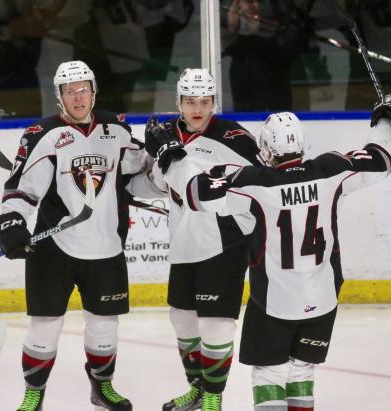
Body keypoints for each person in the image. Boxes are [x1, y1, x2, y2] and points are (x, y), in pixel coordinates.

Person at [150, 97, 391, 410]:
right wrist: (385, 121)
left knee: (269, 375)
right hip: (322, 300)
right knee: (302, 371)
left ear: (266, 150)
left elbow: (194, 192)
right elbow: (381, 160)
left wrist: (171, 156)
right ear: (301, 144)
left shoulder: (254, 184)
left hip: (275, 303)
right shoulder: (331, 170)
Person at [0, 60, 163, 411]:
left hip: (106, 247)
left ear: (94, 90)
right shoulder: (42, 134)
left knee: (104, 327)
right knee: (45, 327)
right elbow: (22, 191)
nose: (78, 97)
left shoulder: (115, 128)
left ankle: (102, 388)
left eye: (84, 89)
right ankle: (33, 395)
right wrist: (11, 222)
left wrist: (158, 153)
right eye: (70, 91)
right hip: (54, 247)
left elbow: (136, 173)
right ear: (60, 97)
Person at [143, 68, 264, 411]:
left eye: (205, 102)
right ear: (179, 103)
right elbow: (155, 181)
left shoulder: (236, 138)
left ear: (214, 102)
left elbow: (266, 182)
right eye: (190, 102)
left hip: (225, 242)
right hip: (184, 242)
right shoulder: (166, 135)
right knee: (181, 318)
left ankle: (213, 398)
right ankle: (197, 388)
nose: (198, 109)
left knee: (215, 325)